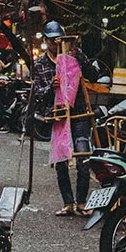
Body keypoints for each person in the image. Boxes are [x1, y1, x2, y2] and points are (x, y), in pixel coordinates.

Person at [46, 22, 94, 216]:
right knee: (61, 160)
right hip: (58, 115)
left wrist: (79, 63)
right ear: (46, 40)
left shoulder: (75, 55)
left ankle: (82, 202)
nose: (55, 43)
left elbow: (94, 74)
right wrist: (51, 85)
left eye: (59, 39)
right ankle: (68, 203)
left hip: (79, 112)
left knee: (83, 155)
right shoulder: (42, 63)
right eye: (52, 40)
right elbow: (39, 93)